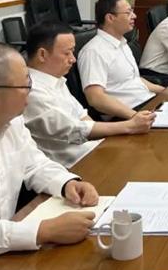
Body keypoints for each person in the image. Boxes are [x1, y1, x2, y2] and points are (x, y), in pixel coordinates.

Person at [0, 43, 99, 256]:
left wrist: (67, 183)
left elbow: (35, 164)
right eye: (25, 85)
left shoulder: (13, 122)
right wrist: (42, 231)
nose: (31, 91)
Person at [24, 22, 155, 167]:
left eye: (73, 52)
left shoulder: (56, 80)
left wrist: (108, 138)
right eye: (67, 53)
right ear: (42, 54)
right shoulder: (31, 91)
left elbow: (82, 116)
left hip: (91, 151)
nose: (73, 59)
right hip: (73, 166)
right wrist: (129, 126)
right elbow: (74, 129)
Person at [78, 0, 163, 120]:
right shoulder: (93, 51)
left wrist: (166, 91)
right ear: (110, 18)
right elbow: (95, 98)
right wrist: (135, 117)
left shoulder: (122, 43)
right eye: (128, 13)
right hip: (127, 114)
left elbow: (134, 80)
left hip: (147, 103)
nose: (134, 16)